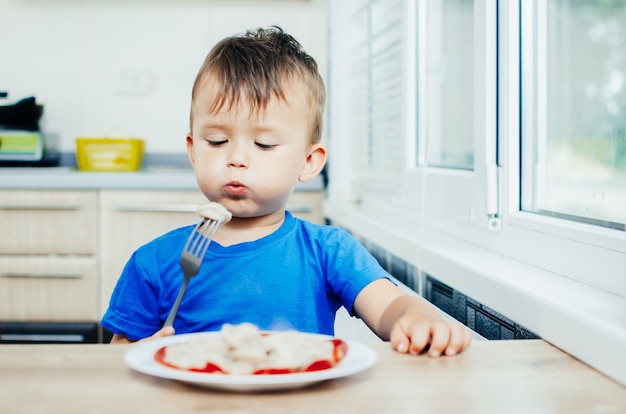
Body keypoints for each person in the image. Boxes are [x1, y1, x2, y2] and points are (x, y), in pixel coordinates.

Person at [100, 26, 472, 357]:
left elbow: (389, 308)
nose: (237, 158)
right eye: (216, 140)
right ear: (193, 150)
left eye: (263, 144)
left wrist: (417, 316)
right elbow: (116, 357)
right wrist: (133, 356)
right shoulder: (154, 262)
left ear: (309, 161)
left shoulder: (329, 251)